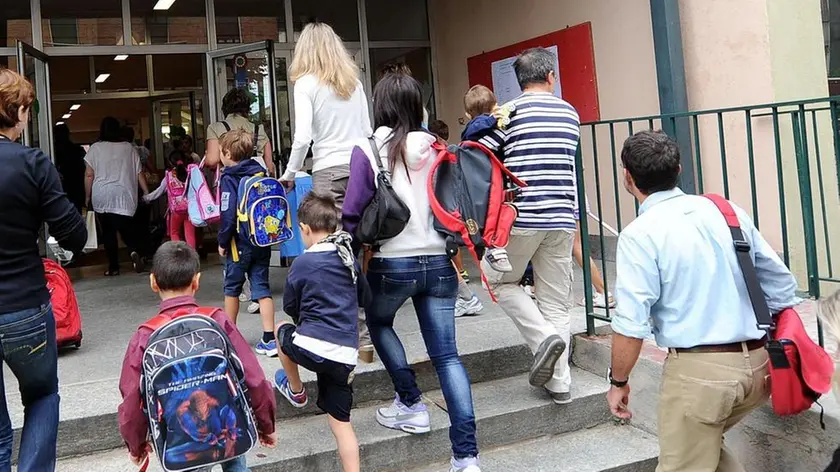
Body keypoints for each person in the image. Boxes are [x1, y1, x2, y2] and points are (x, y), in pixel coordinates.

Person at [607, 130, 800, 472]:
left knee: (684, 459)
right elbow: (782, 286)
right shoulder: (726, 211)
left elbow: (630, 324)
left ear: (628, 177)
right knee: (704, 446)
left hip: (701, 377)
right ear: (679, 168)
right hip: (759, 367)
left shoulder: (639, 234)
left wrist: (618, 382)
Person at [343, 73, 481, 472]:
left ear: (381, 105)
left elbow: (352, 211)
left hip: (391, 263)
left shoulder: (369, 148)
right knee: (448, 357)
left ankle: (410, 402)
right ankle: (466, 456)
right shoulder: (438, 146)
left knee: (379, 322)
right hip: (440, 262)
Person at [117, 242, 277, 471]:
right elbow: (254, 378)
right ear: (197, 281)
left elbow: (132, 398)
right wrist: (266, 423)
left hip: (177, 439)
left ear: (153, 282)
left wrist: (136, 444)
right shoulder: (217, 321)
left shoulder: (145, 337)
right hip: (227, 429)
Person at [478, 47, 579, 404]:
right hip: (563, 218)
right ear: (551, 76)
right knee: (556, 303)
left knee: (498, 282)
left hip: (521, 218)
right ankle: (560, 383)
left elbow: (483, 152)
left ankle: (542, 341)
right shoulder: (570, 113)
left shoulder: (509, 111)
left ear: (518, 82)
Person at [0, 68, 87, 471]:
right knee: (41, 396)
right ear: (16, 110)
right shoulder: (32, 163)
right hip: (24, 304)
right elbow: (73, 234)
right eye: (28, 109)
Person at [281, 21, 374, 362]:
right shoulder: (353, 82)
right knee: (355, 250)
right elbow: (366, 130)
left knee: (328, 254)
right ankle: (364, 339)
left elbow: (303, 137)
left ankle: (337, 336)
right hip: (360, 169)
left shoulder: (306, 83)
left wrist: (289, 173)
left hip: (329, 171)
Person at [273, 193, 369, 472]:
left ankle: (296, 390)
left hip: (311, 347)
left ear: (304, 229)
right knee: (342, 424)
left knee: (281, 329)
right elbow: (365, 297)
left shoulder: (302, 263)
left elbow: (290, 306)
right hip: (345, 355)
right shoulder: (348, 258)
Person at [217, 128, 277, 356]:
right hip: (261, 240)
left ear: (227, 154)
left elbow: (228, 215)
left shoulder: (229, 178)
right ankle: (269, 338)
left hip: (238, 244)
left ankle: (230, 338)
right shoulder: (260, 173)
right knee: (262, 288)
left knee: (231, 288)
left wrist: (222, 241)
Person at [427, 119, 482, 318]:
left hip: (439, 211)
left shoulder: (435, 151)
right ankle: (466, 294)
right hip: (447, 210)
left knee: (443, 251)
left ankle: (467, 297)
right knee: (445, 250)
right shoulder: (446, 150)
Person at [85, 117, 151, 275]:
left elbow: (89, 175)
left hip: (102, 195)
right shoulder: (129, 148)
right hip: (125, 195)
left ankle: (113, 267)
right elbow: (139, 172)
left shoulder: (95, 148)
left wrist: (88, 196)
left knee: (108, 233)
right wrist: (147, 192)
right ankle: (134, 251)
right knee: (127, 228)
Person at [205, 88, 276, 176]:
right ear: (247, 109)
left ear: (224, 108)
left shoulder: (215, 128)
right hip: (255, 184)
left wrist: (206, 158)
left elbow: (212, 160)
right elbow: (269, 166)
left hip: (229, 183)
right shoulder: (259, 129)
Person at [143, 150, 196, 248]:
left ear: (170, 162)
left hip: (176, 210)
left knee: (174, 232)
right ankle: (192, 257)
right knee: (190, 234)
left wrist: (146, 198)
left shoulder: (169, 176)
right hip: (190, 209)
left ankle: (178, 254)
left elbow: (159, 191)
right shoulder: (190, 173)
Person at [53, 123, 87, 212]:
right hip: (75, 189)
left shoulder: (52, 151)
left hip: (59, 189)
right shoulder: (77, 150)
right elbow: (83, 171)